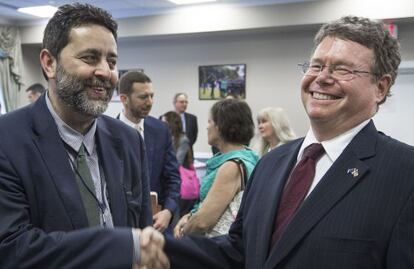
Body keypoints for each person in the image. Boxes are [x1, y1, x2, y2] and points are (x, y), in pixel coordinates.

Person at [164, 16, 414, 268]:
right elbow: (239, 251)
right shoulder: (271, 163)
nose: (322, 78)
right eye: (315, 66)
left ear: (380, 87)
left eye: (342, 69)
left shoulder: (405, 174)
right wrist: (156, 248)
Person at [0, 3, 168, 269]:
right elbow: (14, 249)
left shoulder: (129, 141)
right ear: (49, 63)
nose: (105, 71)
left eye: (111, 61)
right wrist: (122, 246)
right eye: (90, 58)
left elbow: (143, 233)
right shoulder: (7, 141)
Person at [174, 99, 259, 238]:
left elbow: (202, 222)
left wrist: (183, 232)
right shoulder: (247, 157)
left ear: (221, 126)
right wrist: (189, 216)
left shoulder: (232, 166)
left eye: (210, 121)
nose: (207, 127)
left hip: (218, 249)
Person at [119, 71, 180, 233]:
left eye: (152, 96)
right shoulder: (108, 132)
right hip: (121, 227)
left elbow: (173, 177)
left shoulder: (161, 130)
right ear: (124, 99)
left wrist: (168, 211)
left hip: (157, 222)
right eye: (143, 97)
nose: (150, 102)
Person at [161, 111, 197, 217]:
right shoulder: (167, 137)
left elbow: (177, 161)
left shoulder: (182, 139)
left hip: (179, 180)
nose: (161, 124)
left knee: (178, 215)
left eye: (164, 122)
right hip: (168, 180)